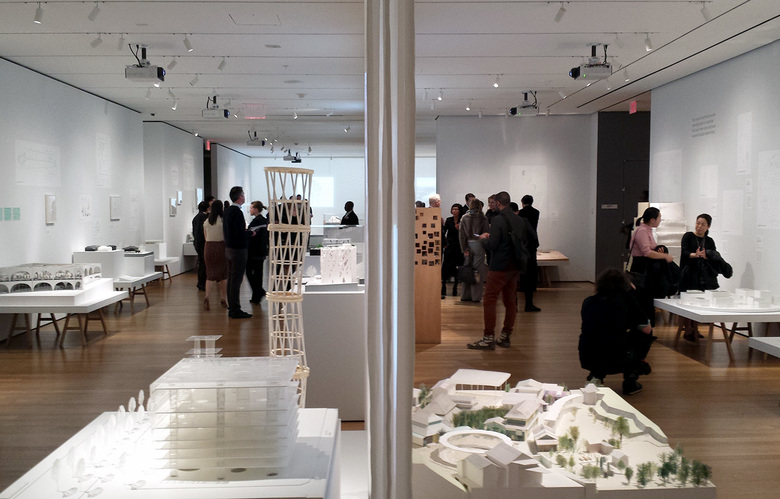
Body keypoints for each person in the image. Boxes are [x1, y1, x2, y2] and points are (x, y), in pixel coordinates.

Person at [467, 191, 536, 350]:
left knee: (489, 299)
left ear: (498, 203)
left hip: (499, 265)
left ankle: (488, 338)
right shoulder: (520, 219)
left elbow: (493, 245)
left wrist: (484, 239)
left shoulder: (498, 220)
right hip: (515, 266)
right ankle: (505, 336)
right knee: (510, 300)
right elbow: (531, 240)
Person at [579, 268, 655, 395]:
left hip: (587, 356)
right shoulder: (624, 304)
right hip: (616, 357)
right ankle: (631, 378)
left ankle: (596, 376)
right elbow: (647, 329)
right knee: (644, 334)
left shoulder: (588, 301)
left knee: (600, 336)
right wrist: (631, 295)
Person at [678, 213, 733, 340]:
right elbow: (684, 252)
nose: (699, 226)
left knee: (698, 302)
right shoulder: (688, 236)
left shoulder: (709, 241)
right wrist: (695, 255)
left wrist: (706, 255)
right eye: (698, 223)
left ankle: (695, 329)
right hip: (689, 274)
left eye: (703, 224)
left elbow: (713, 256)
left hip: (703, 276)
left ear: (708, 226)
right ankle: (688, 330)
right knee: (688, 301)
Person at [629, 207, 674, 326]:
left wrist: (659, 250)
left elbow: (650, 249)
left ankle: (647, 327)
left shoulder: (647, 230)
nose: (660, 220)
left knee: (647, 299)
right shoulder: (642, 231)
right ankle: (643, 328)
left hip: (646, 267)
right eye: (659, 217)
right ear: (652, 220)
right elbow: (646, 252)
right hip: (642, 268)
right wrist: (665, 256)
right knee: (643, 299)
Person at [223, 186, 253, 319]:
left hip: (229, 248)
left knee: (231, 279)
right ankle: (235, 309)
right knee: (236, 279)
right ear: (240, 197)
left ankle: (232, 306)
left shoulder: (228, 211)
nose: (244, 197)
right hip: (238, 250)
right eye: (243, 194)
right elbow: (239, 233)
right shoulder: (236, 212)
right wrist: (250, 233)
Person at [459, 198, 489, 302]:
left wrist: (464, 248)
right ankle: (476, 297)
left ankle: (465, 295)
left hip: (467, 245)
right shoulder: (483, 218)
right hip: (479, 245)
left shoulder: (464, 217)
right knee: (478, 271)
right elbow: (486, 234)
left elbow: (461, 235)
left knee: (467, 269)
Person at [202, 200, 228, 311]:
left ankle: (207, 296)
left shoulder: (207, 221)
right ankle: (223, 297)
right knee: (223, 274)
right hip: (221, 246)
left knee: (210, 274)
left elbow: (205, 237)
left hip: (209, 247)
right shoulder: (223, 221)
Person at [518, 194, 541, 312]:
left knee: (524, 267)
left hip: (523, 243)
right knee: (532, 267)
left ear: (522, 202)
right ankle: (532, 288)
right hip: (532, 242)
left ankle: (523, 286)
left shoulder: (521, 213)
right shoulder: (536, 212)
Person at [246, 201, 269, 304]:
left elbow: (251, 236)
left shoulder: (256, 222)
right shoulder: (264, 221)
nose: (250, 210)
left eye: (251, 208)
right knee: (258, 273)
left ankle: (259, 292)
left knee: (249, 272)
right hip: (262, 251)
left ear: (255, 209)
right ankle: (256, 297)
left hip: (253, 251)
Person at [441, 203, 464, 298]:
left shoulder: (462, 220)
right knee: (446, 266)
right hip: (450, 246)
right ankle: (443, 285)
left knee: (457, 267)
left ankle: (455, 286)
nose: (454, 211)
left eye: (456, 209)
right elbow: (444, 232)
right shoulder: (449, 220)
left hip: (458, 247)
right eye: (453, 209)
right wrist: (445, 243)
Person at [191, 201, 210, 291]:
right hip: (203, 243)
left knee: (202, 262)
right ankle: (202, 283)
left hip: (197, 242)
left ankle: (201, 283)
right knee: (204, 263)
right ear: (207, 208)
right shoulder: (204, 218)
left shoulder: (196, 217)